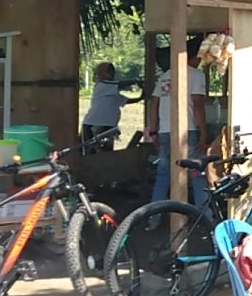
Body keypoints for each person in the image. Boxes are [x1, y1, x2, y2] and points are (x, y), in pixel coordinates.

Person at [148, 39, 209, 218]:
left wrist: (154, 129)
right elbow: (198, 104)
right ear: (196, 56)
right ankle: (205, 218)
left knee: (163, 176)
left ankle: (152, 218)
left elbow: (154, 101)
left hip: (165, 131)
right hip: (188, 130)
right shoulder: (196, 75)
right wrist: (203, 131)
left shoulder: (167, 74)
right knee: (198, 175)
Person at [81, 62, 143, 151]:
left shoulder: (111, 92)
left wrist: (141, 97)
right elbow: (120, 84)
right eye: (109, 71)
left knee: (106, 152)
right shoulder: (102, 85)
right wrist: (135, 81)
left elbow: (125, 101)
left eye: (112, 71)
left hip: (108, 125)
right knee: (91, 152)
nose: (111, 74)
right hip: (94, 124)